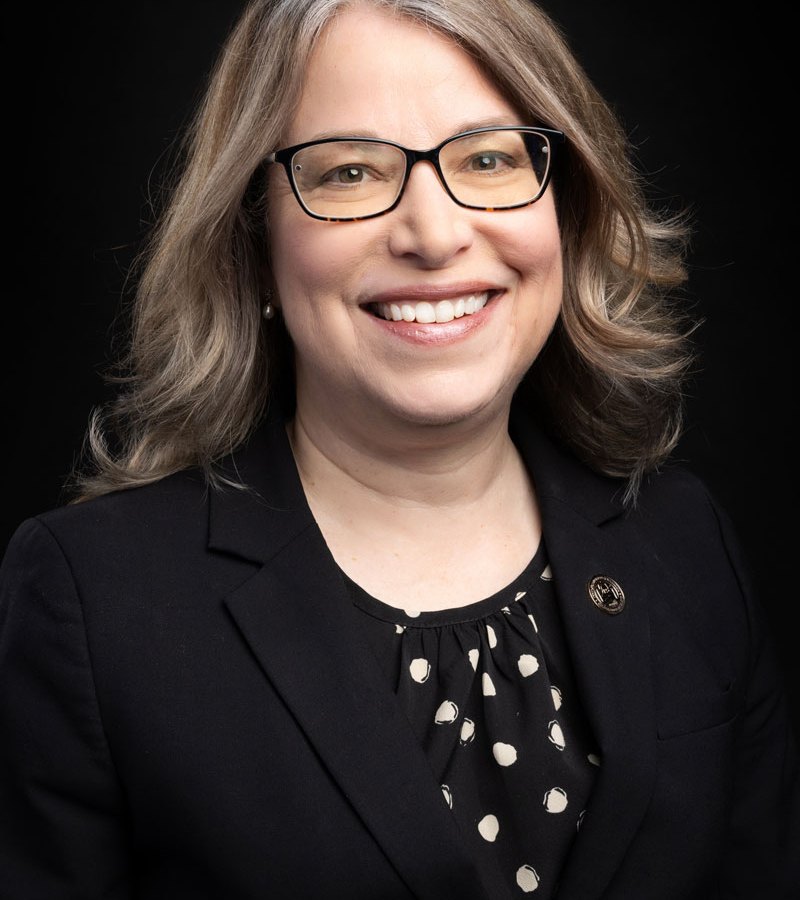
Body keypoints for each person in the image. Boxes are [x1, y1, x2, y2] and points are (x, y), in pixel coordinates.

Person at [1, 0, 797, 897]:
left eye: (490, 159)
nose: (433, 233)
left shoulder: (685, 545)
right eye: (348, 172)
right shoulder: (92, 601)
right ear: (254, 239)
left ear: (567, 210)